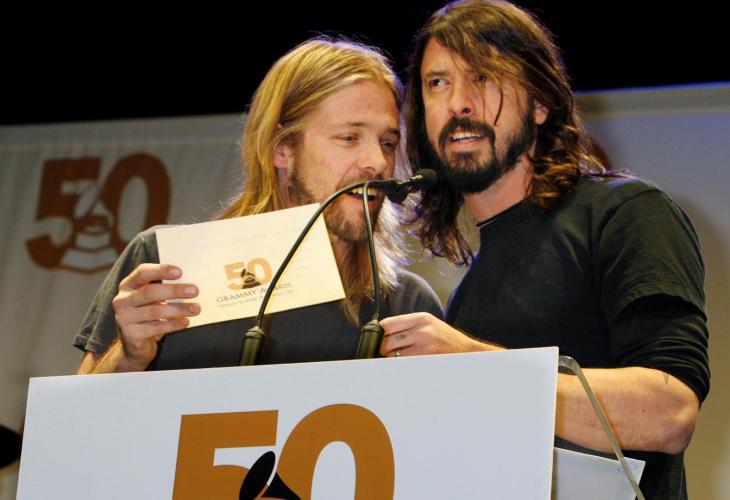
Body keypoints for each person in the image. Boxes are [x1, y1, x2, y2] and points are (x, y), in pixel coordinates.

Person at [378, 1, 709, 498]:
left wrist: (474, 364)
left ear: (539, 104)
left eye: (484, 76)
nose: (459, 103)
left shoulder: (624, 213)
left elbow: (670, 413)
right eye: (437, 83)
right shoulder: (468, 296)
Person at [74, 37, 442, 374]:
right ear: (282, 149)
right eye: (349, 137)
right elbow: (78, 417)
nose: (377, 162)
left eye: (388, 143)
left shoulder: (406, 307)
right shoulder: (169, 268)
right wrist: (129, 357)